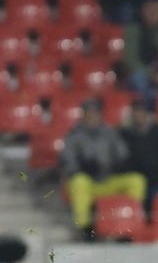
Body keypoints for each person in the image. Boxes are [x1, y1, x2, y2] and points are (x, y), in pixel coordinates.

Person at [61, 97, 145, 238]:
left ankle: (129, 219)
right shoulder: (74, 135)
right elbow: (67, 160)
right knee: (78, 182)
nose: (92, 117)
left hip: (109, 179)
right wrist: (81, 167)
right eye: (89, 114)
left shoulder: (110, 132)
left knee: (136, 180)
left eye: (95, 113)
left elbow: (123, 154)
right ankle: (85, 228)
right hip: (89, 182)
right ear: (83, 115)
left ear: (100, 115)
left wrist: (118, 165)